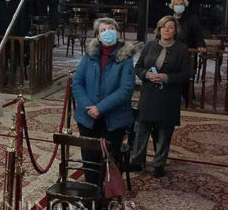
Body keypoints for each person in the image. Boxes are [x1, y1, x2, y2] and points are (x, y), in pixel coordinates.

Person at [71, 18, 136, 184]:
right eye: (103, 30)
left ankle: (108, 191)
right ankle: (92, 189)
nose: (108, 32)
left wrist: (100, 108)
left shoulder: (126, 58)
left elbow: (126, 89)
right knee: (89, 158)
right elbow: (77, 82)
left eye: (111, 28)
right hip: (87, 117)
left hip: (114, 118)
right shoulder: (90, 55)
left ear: (117, 32)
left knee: (110, 158)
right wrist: (89, 106)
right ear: (98, 36)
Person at [130, 15, 190, 177]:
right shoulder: (150, 45)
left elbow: (186, 74)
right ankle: (136, 162)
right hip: (149, 94)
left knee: (164, 132)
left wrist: (166, 77)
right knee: (142, 129)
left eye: (170, 27)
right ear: (158, 29)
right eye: (164, 27)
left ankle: (159, 164)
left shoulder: (182, 49)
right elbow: (138, 67)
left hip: (169, 96)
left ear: (175, 31)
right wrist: (146, 74)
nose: (167, 30)